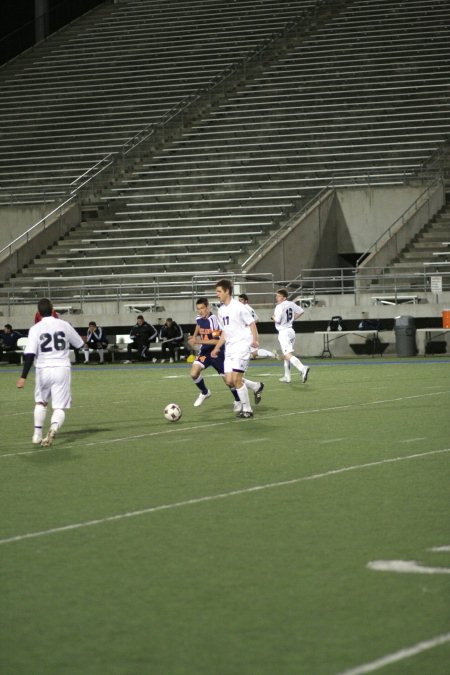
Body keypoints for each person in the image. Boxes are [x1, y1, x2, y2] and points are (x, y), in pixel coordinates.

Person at [16, 298, 84, 447]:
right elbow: (79, 344)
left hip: (43, 369)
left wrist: (23, 377)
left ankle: (37, 434)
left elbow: (30, 354)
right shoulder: (64, 325)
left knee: (41, 402)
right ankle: (53, 428)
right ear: (53, 309)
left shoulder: (35, 328)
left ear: (38, 312)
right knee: (59, 407)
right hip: (61, 368)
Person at [212, 279, 264, 419]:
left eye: (219, 291)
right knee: (229, 380)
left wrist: (255, 340)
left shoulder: (239, 307)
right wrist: (217, 347)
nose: (217, 294)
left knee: (236, 380)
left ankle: (247, 410)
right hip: (229, 349)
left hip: (241, 347)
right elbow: (224, 332)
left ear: (227, 291)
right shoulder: (221, 310)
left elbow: (252, 323)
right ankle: (256, 386)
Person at [188, 297, 242, 410]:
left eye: (202, 308)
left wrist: (197, 341)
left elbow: (217, 341)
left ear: (207, 307)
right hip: (205, 352)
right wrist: (194, 336)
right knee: (193, 373)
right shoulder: (199, 318)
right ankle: (205, 392)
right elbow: (198, 325)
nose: (200, 311)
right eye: (198, 309)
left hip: (217, 352)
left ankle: (238, 400)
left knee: (229, 381)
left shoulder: (214, 320)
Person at [272, 289, 310, 384]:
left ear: (284, 297)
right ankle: (287, 377)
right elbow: (301, 311)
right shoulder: (291, 304)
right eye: (277, 296)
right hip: (291, 331)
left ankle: (302, 368)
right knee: (287, 354)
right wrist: (292, 319)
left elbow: (277, 320)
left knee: (287, 355)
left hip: (284, 332)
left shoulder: (279, 307)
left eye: (279, 296)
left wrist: (272, 317)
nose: (277, 297)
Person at [238, 293, 277, 359]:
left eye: (241, 300)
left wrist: (247, 324)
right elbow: (257, 319)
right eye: (239, 300)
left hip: (248, 332)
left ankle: (271, 354)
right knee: (251, 352)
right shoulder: (249, 308)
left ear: (246, 301)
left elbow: (253, 321)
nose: (239, 301)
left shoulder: (244, 308)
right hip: (250, 332)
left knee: (253, 352)